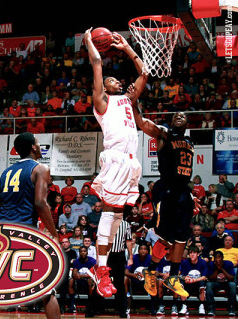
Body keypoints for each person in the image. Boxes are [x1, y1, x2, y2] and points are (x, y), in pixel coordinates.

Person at [84, 28, 147, 297]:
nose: (116, 81)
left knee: (119, 216)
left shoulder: (127, 100)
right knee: (110, 212)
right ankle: (100, 269)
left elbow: (144, 73)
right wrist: (88, 40)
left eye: (116, 79)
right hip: (116, 157)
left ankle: (101, 267)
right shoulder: (101, 102)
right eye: (110, 80)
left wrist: (126, 48)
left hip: (132, 162)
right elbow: (97, 63)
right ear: (102, 88)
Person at [133, 106, 195, 300]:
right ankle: (150, 271)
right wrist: (134, 104)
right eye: (175, 114)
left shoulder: (189, 141)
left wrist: (191, 194)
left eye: (182, 115)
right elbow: (142, 123)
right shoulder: (165, 134)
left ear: (187, 123)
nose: (179, 116)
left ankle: (173, 277)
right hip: (166, 188)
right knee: (165, 238)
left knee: (182, 238)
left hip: (184, 191)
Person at [0, 132, 60, 319]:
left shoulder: (6, 172)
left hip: (2, 233)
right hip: (24, 231)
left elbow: (1, 203)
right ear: (33, 147)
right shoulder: (40, 168)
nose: (40, 146)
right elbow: (41, 203)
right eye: (38, 143)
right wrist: (53, 232)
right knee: (47, 290)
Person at [107, 219, 133, 318]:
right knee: (102, 280)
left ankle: (122, 309)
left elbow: (128, 241)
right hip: (107, 254)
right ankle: (94, 308)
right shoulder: (106, 221)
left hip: (119, 255)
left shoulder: (126, 224)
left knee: (119, 284)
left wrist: (130, 256)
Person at [176, 245, 208, 316]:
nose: (192, 255)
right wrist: (185, 278)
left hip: (198, 283)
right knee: (180, 284)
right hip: (188, 283)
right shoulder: (185, 262)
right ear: (189, 254)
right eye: (190, 253)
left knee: (202, 284)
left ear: (198, 254)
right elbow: (179, 275)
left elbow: (204, 277)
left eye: (194, 253)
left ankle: (201, 306)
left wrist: (193, 280)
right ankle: (184, 306)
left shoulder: (202, 262)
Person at [206, 250, 236, 316]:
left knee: (233, 285)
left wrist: (221, 269)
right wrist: (217, 269)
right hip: (215, 283)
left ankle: (231, 307)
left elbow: (232, 278)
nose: (217, 259)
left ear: (222, 258)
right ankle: (211, 307)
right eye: (216, 257)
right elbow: (211, 278)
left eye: (219, 257)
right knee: (208, 285)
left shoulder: (229, 263)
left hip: (226, 283)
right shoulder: (211, 264)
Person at [71, 246, 97, 317]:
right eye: (81, 251)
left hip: (91, 282)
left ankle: (89, 307)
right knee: (71, 280)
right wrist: (79, 275)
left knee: (89, 281)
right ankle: (71, 304)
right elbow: (74, 274)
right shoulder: (76, 261)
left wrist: (81, 275)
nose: (83, 253)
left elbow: (94, 275)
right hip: (80, 282)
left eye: (84, 251)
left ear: (87, 252)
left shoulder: (92, 261)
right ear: (79, 253)